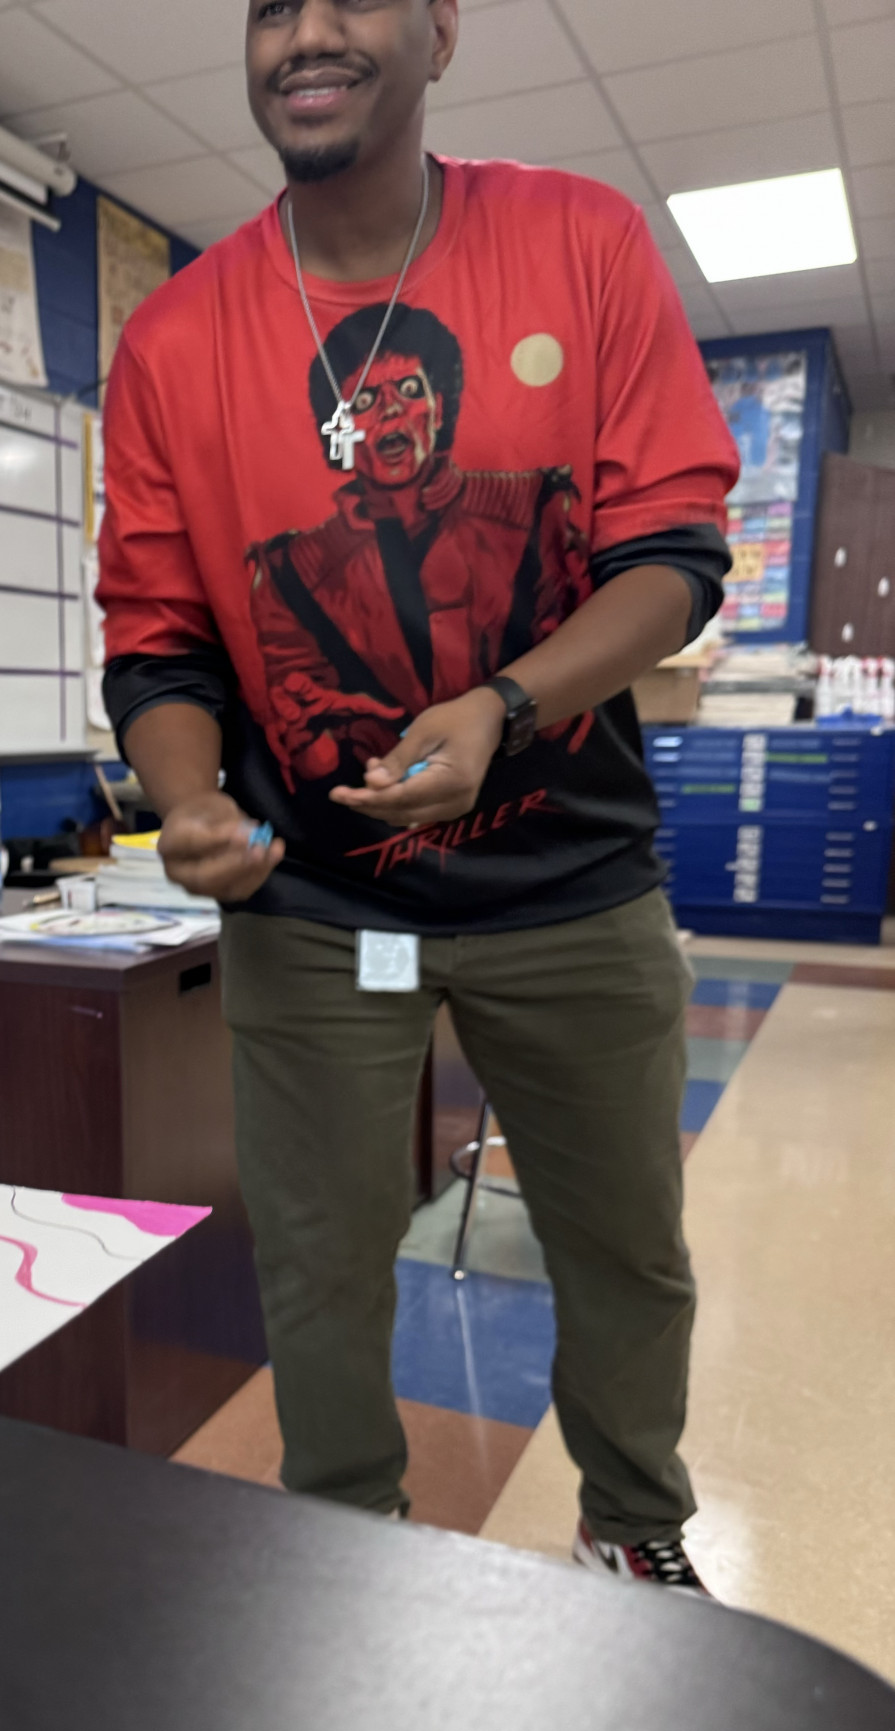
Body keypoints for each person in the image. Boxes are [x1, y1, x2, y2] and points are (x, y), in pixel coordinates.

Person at [98, 0, 739, 1592]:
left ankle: (631, 1533)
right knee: (318, 1261)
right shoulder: (176, 341)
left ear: (440, 29)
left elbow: (673, 558)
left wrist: (508, 707)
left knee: (625, 1248)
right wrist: (189, 804)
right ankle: (343, 1556)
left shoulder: (577, 244)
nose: (306, 34)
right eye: (271, 6)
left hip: (570, 881)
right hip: (318, 905)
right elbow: (158, 637)